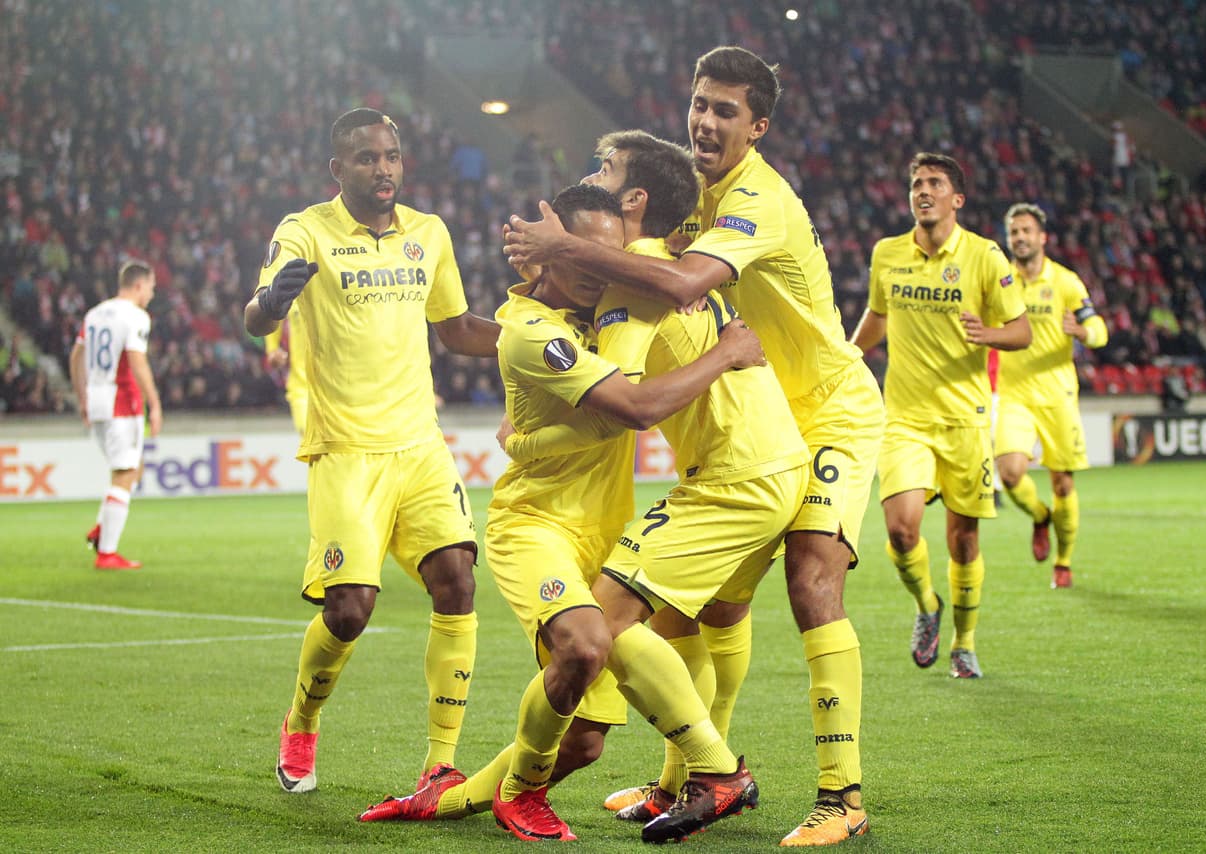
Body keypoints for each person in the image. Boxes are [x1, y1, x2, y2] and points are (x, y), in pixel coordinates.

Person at [505, 46, 884, 846]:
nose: (706, 120)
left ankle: (841, 797)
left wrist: (561, 249)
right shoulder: (691, 195)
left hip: (832, 409)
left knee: (814, 579)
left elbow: (679, 286)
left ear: (759, 126)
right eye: (700, 103)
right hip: (764, 412)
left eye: (726, 111)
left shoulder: (756, 198)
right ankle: (689, 777)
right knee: (715, 608)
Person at [361, 182, 771, 841]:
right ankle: (548, 791)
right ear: (545, 259)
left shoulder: (610, 301)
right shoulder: (532, 333)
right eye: (579, 253)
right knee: (584, 641)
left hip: (606, 529)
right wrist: (725, 355)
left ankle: (450, 800)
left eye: (603, 254)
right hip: (537, 528)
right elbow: (631, 411)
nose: (598, 267)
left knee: (582, 744)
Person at [243, 108, 499, 796]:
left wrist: (538, 340)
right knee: (349, 610)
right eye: (365, 158)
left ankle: (441, 761)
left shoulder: (429, 233)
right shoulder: (306, 230)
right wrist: (272, 301)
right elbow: (255, 315)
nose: (382, 168)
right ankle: (302, 719)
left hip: (419, 445)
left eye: (390, 156)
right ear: (339, 169)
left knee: (458, 580)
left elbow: (456, 328)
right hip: (347, 452)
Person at [852, 152, 1031, 680]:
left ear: (958, 199)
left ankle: (964, 642)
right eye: (915, 183)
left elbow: (1021, 331)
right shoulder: (887, 253)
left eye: (934, 183)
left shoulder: (985, 256)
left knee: (963, 540)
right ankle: (927, 605)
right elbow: (878, 315)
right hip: (905, 417)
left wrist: (988, 335)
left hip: (966, 420)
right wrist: (847, 355)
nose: (922, 191)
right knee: (902, 531)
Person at [996, 203, 1109, 590]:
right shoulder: (1000, 280)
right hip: (1014, 395)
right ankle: (1040, 516)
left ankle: (1063, 562)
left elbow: (1100, 330)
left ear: (1042, 237)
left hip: (1058, 395)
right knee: (1010, 474)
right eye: (1014, 232)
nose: (1020, 238)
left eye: (1026, 230)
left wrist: (1082, 332)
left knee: (1063, 483)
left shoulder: (1066, 282)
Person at [70, 259, 163, 571]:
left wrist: (82, 397)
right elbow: (137, 361)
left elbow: (75, 358)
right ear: (138, 285)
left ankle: (101, 529)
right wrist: (155, 402)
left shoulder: (95, 313)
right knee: (125, 474)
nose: (152, 293)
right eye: (151, 287)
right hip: (122, 403)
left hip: (97, 401)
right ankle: (107, 552)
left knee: (132, 469)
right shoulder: (136, 315)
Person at [261, 302, 307, 434]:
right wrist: (272, 349)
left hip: (338, 385)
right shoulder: (294, 287)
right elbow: (274, 311)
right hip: (302, 385)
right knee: (311, 441)